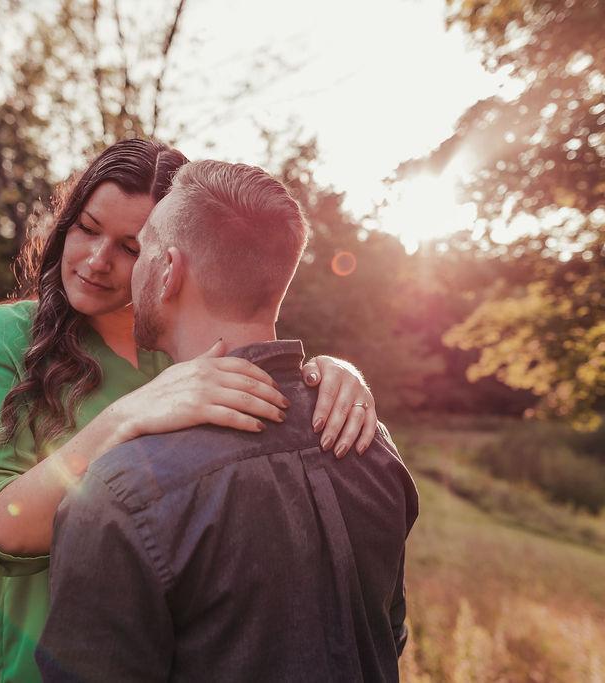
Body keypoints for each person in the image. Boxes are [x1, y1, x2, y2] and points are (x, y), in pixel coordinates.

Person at [0, 139, 381, 683]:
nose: (97, 261)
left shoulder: (179, 343)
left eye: (130, 247)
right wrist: (124, 418)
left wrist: (331, 372)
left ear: (166, 255)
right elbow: (2, 529)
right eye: (86, 228)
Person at [37, 160, 419, 681]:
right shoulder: (370, 444)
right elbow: (385, 638)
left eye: (141, 248)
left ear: (168, 271)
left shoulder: (120, 493)